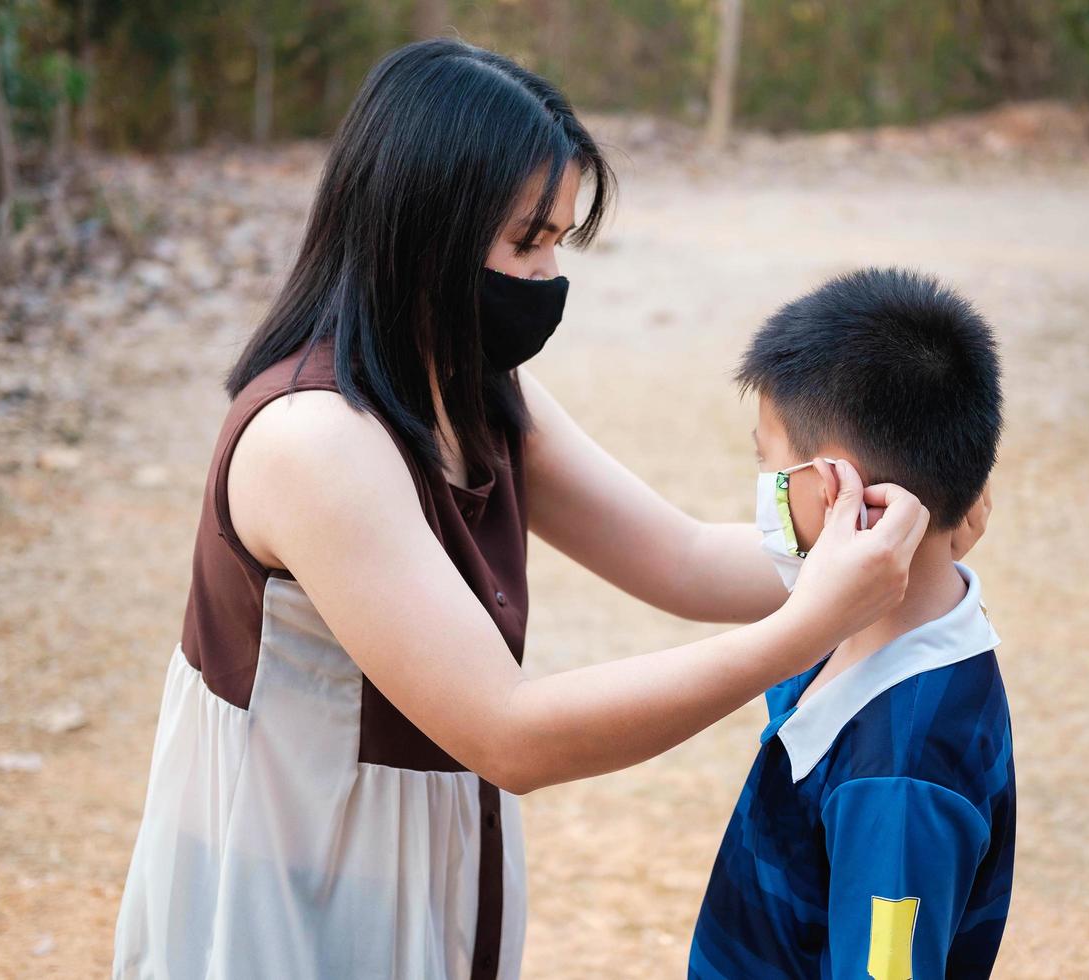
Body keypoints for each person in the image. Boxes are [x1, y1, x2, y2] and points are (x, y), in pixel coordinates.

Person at [111, 41, 986, 980]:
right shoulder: (314, 442)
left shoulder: (476, 387)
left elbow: (681, 558)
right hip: (290, 862)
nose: (548, 275)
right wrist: (813, 622)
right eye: (527, 242)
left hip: (423, 843)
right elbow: (509, 732)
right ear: (425, 231)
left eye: (559, 240)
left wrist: (891, 532)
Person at [688, 268, 1013, 980]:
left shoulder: (898, 775)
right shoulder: (864, 624)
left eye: (769, 462)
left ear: (840, 490)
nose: (764, 486)